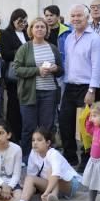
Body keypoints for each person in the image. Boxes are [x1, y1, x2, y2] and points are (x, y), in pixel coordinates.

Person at [58, 4, 100, 167]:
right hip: (70, 86)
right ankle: (70, 158)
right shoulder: (69, 37)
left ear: (88, 18)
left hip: (88, 87)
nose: (75, 19)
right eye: (73, 16)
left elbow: (97, 66)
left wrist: (92, 90)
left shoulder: (95, 39)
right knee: (65, 123)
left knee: (87, 127)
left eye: (79, 16)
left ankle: (87, 160)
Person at [13, 17, 64, 161]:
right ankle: (26, 157)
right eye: (37, 27)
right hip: (29, 93)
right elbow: (16, 69)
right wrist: (37, 71)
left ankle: (46, 157)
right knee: (29, 127)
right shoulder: (25, 48)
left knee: (46, 127)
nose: (40, 29)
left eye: (43, 27)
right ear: (31, 30)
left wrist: (55, 68)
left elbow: (61, 70)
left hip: (49, 92)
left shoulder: (52, 47)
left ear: (47, 30)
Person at [6, 127, 82, 201]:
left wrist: (46, 192)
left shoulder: (53, 154)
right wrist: (28, 187)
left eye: (39, 140)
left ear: (48, 143)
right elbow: (32, 174)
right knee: (29, 178)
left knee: (51, 170)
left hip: (70, 184)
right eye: (33, 140)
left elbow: (56, 174)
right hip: (52, 184)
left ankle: (53, 198)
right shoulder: (33, 153)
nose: (35, 143)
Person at [0, 8, 29, 144]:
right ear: (13, 20)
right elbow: (5, 54)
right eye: (20, 21)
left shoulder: (27, 33)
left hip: (27, 75)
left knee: (25, 105)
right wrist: (22, 51)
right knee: (13, 105)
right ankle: (13, 135)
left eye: (24, 21)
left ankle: (24, 134)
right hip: (13, 75)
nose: (22, 23)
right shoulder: (6, 34)